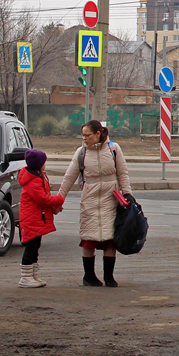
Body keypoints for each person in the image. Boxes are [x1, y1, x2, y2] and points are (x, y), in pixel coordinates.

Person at [58, 120, 131, 287]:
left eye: (87, 135)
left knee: (110, 239)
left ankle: (109, 277)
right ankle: (89, 276)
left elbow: (123, 174)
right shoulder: (81, 153)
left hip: (110, 198)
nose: (84, 138)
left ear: (98, 134)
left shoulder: (114, 149)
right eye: (82, 135)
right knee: (88, 238)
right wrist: (59, 199)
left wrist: (128, 195)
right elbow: (68, 178)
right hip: (89, 199)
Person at [17, 149, 64, 288]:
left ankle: (32, 275)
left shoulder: (37, 177)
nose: (45, 164)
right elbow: (42, 199)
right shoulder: (33, 181)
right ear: (39, 164)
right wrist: (59, 199)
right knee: (31, 247)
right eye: (44, 162)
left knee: (35, 246)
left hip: (35, 218)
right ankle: (26, 277)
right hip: (32, 219)